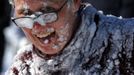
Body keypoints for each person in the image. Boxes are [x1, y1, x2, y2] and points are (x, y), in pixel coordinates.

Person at [6, 0, 134, 75]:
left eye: (47, 11)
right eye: (26, 14)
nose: (37, 27)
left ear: (75, 2)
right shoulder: (22, 68)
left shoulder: (126, 42)